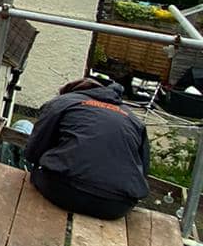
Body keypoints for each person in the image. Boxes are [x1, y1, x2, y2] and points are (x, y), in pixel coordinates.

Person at [24, 75, 149, 219]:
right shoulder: (134, 119)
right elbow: (143, 170)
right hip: (116, 205)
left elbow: (33, 151)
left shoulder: (62, 102)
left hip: (61, 189)